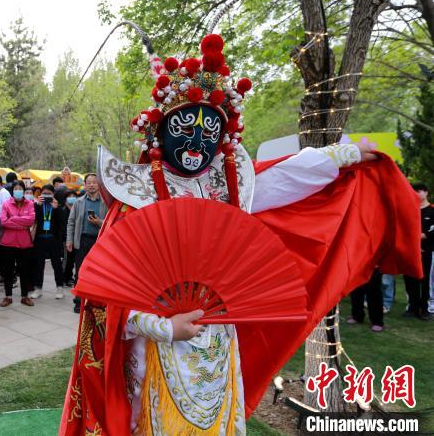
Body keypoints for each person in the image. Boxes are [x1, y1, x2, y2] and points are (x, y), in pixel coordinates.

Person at [57, 34, 421, 436]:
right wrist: (165, 327)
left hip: (220, 340)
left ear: (222, 140)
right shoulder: (135, 199)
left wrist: (345, 154)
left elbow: (286, 177)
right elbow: (107, 299)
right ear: (159, 133)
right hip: (158, 348)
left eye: (209, 131)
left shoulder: (227, 189)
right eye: (183, 127)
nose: (197, 140)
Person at [66, 174, 107, 313]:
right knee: (80, 272)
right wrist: (69, 240)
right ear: (85, 185)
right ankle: (78, 302)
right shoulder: (79, 202)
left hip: (99, 241)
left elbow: (110, 222)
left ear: (99, 184)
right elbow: (71, 222)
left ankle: (97, 301)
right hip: (82, 240)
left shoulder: (106, 202)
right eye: (89, 182)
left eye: (94, 182)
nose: (91, 185)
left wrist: (99, 222)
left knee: (99, 272)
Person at [0, 180, 35, 307]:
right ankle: (8, 296)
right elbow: (3, 221)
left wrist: (13, 219)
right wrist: (21, 225)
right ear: (12, 191)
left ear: (24, 190)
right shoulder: (6, 204)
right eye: (16, 188)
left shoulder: (30, 203)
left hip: (25, 244)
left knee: (25, 270)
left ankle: (24, 296)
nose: (18, 190)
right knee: (8, 271)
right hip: (8, 243)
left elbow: (31, 220)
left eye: (20, 188)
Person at [403, 182, 433, 320]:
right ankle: (412, 307)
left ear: (426, 193)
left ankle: (424, 309)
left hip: (427, 251)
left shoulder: (432, 211)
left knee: (425, 280)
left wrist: (418, 236)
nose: (417, 193)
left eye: (420, 190)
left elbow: (428, 233)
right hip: (410, 252)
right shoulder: (410, 209)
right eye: (414, 191)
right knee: (410, 279)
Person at [31, 184, 66, 300]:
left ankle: (59, 287)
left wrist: (56, 209)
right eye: (44, 193)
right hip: (40, 238)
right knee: (38, 265)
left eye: (49, 193)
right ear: (40, 194)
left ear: (53, 194)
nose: (46, 195)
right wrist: (37, 205)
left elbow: (62, 223)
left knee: (56, 264)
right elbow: (32, 219)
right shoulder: (37, 206)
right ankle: (38, 288)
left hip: (53, 239)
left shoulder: (57, 206)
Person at [62, 190, 78, 287]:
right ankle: (66, 278)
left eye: (74, 196)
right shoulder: (63, 210)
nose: (72, 197)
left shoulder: (77, 208)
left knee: (74, 259)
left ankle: (70, 277)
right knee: (68, 259)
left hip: (76, 237)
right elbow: (64, 226)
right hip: (67, 238)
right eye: (70, 196)